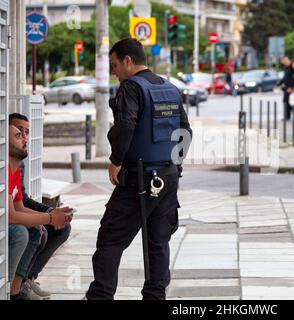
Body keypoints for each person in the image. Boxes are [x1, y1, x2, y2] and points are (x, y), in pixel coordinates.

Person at [85, 38, 192, 300]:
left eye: (114, 65)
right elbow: (186, 131)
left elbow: (126, 125)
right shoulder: (170, 87)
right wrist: (173, 166)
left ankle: (100, 296)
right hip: (167, 178)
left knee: (110, 239)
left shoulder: (130, 87)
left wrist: (116, 160)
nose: (113, 71)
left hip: (138, 178)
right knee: (158, 243)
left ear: (128, 61)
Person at [9, 113, 73, 300]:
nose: (25, 138)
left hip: (11, 218)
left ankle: (21, 284)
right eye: (19, 133)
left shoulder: (14, 167)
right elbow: (12, 216)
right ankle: (12, 290)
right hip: (8, 225)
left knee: (39, 229)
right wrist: (49, 217)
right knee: (22, 232)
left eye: (26, 133)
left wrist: (51, 214)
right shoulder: (5, 167)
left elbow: (19, 205)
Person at [279, 56, 294, 120]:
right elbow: (285, 77)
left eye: (286, 60)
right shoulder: (286, 68)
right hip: (286, 86)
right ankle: (289, 113)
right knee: (285, 101)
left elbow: (293, 79)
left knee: (285, 100)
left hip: (290, 86)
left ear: (288, 60)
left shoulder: (291, 68)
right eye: (283, 60)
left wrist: (291, 87)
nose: (285, 62)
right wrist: (280, 83)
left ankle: (289, 114)